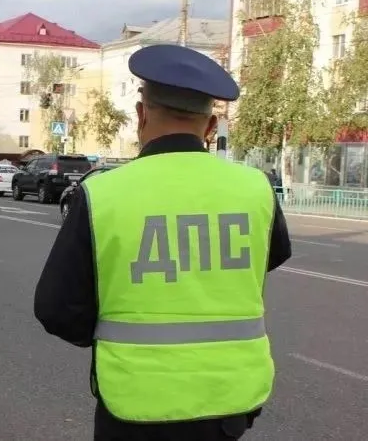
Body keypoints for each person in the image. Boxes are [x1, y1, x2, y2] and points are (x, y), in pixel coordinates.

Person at [34, 44, 292, 441]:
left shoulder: (103, 193)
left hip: (136, 401)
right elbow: (266, 259)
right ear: (210, 127)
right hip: (231, 399)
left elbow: (56, 309)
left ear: (141, 115)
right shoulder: (255, 188)